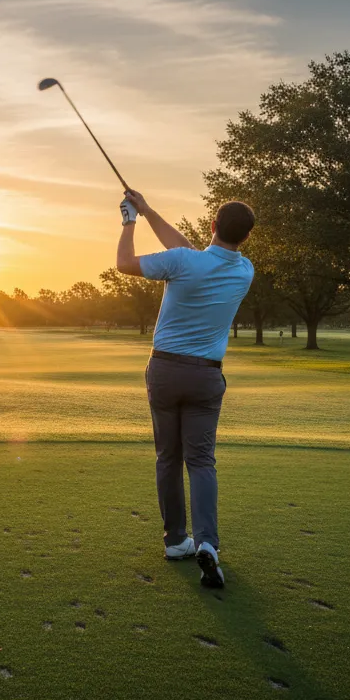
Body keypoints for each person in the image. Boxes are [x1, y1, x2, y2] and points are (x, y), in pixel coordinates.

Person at [116, 189, 255, 589]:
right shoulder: (244, 271)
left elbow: (125, 263)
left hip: (164, 371)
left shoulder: (183, 262)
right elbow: (191, 252)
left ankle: (177, 540)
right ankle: (208, 543)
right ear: (244, 238)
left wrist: (130, 220)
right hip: (207, 376)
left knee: (168, 457)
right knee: (201, 462)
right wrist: (149, 211)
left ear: (212, 225)